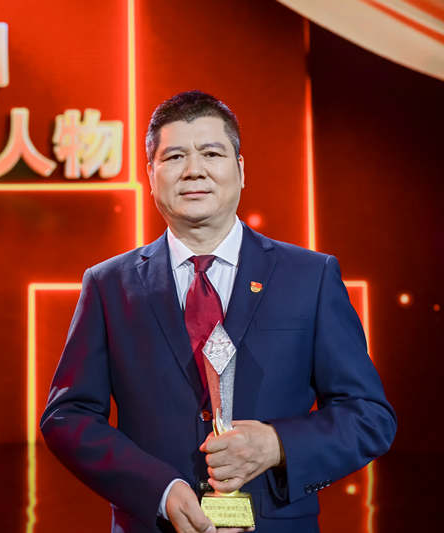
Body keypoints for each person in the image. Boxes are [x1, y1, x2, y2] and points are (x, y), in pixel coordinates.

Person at [39, 90, 396, 533]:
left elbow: (369, 416)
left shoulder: (311, 277)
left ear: (240, 170)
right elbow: (67, 417)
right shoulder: (109, 285)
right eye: (174, 157)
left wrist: (277, 444)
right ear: (150, 175)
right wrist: (159, 489)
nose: (194, 170)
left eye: (211, 153)